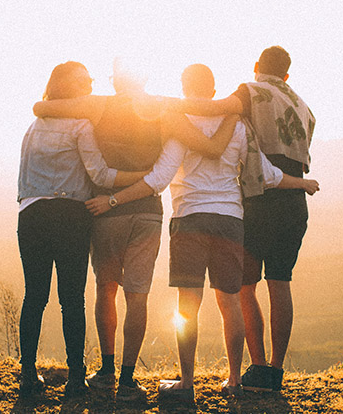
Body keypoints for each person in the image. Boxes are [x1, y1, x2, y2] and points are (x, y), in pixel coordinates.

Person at [85, 64, 319, 401]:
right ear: (213, 91)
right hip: (230, 221)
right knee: (230, 303)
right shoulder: (238, 125)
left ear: (184, 87)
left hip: (189, 219)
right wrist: (303, 183)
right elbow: (267, 174)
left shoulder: (180, 123)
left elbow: (159, 179)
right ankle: (235, 380)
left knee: (187, 307)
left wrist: (113, 199)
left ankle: (187, 383)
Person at [32, 60, 234, 401]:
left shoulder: (99, 105)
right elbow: (206, 145)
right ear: (145, 77)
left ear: (115, 81)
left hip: (105, 211)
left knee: (106, 289)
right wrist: (232, 112)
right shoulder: (165, 110)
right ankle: (127, 380)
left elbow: (42, 107)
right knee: (137, 296)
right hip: (147, 213)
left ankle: (106, 370)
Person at [173, 46, 317, 392]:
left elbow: (213, 108)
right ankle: (276, 372)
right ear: (286, 74)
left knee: (245, 288)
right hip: (293, 200)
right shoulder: (303, 106)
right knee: (280, 283)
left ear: (256, 67)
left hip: (258, 198)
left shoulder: (249, 91)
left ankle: (257, 367)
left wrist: (164, 107)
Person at [16, 61, 147, 398]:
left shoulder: (34, 126)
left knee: (35, 297)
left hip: (31, 215)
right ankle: (76, 378)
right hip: (70, 215)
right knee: (71, 299)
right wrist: (142, 177)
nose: (90, 83)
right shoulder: (81, 125)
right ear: (69, 87)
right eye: (84, 79)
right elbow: (101, 176)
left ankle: (28, 375)